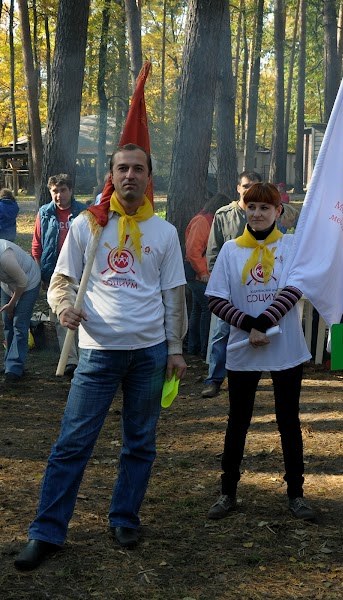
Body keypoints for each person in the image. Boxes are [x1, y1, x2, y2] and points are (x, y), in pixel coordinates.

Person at [14, 143, 188, 571]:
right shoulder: (87, 225)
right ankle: (47, 531)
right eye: (123, 168)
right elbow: (60, 280)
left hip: (148, 354)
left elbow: (173, 297)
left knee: (140, 443)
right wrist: (62, 306)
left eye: (139, 169)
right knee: (72, 443)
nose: (131, 175)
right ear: (111, 175)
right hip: (96, 354)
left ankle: (124, 517)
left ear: (149, 177)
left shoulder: (164, 233)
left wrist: (176, 347)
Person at [205, 182, 314, 521]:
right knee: (238, 420)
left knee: (288, 420)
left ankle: (296, 494)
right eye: (251, 206)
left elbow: (294, 288)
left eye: (265, 207)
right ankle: (228, 492)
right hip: (243, 348)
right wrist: (248, 324)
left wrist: (262, 323)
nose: (257, 213)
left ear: (278, 211)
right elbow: (215, 298)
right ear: (243, 209)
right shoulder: (230, 250)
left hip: (285, 346)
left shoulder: (293, 246)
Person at [201, 170, 262, 398]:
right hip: (228, 287)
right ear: (238, 188)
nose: (250, 190)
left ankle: (251, 376)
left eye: (255, 186)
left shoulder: (263, 213)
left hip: (257, 286)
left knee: (257, 329)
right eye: (246, 186)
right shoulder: (223, 214)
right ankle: (214, 379)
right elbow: (213, 251)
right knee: (221, 332)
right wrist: (220, 285)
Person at [32, 174, 87, 378]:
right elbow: (37, 244)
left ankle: (85, 357)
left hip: (79, 271)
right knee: (60, 317)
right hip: (54, 272)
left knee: (81, 313)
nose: (59, 195)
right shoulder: (44, 213)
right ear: (50, 192)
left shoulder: (83, 212)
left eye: (63, 190)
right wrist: (39, 272)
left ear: (70, 191)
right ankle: (70, 360)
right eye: (55, 191)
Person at [184, 192, 230, 357]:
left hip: (197, 273)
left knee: (198, 310)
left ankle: (193, 347)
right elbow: (193, 251)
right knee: (207, 308)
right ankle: (204, 349)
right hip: (196, 273)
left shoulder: (206, 219)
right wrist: (203, 272)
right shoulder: (202, 221)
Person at [0, 239, 41, 382]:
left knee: (19, 323)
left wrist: (12, 304)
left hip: (29, 282)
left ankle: (15, 368)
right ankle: (8, 363)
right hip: (8, 284)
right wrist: (10, 304)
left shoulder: (5, 257)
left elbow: (22, 281)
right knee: (7, 320)